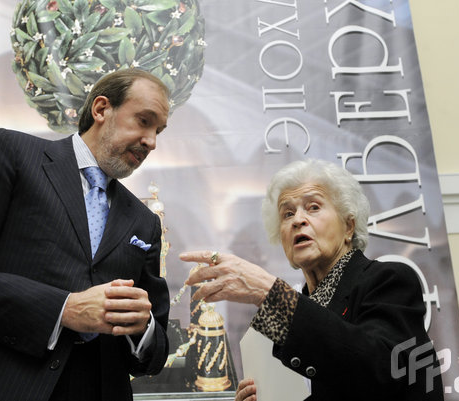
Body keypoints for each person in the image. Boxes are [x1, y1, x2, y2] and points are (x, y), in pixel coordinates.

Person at [0, 69, 171, 401]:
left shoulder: (144, 221)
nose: (151, 141)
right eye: (144, 121)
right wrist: (64, 309)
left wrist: (142, 328)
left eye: (158, 130)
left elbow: (156, 350)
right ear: (102, 109)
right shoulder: (11, 153)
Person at [180, 159, 444, 401]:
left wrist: (269, 292)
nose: (298, 220)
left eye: (313, 207)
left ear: (349, 226)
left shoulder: (389, 280)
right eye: (287, 214)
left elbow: (377, 370)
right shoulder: (289, 321)